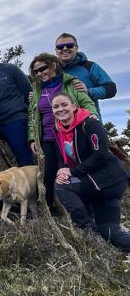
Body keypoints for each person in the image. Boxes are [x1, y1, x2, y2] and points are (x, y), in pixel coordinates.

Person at [51, 93, 130, 252]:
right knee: (109, 233)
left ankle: (87, 230)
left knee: (62, 186)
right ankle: (97, 231)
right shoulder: (58, 130)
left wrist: (72, 172)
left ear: (74, 106)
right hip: (92, 182)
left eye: (64, 105)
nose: (60, 109)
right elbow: (62, 158)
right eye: (56, 107)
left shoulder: (90, 123)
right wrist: (62, 170)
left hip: (109, 180)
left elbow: (100, 155)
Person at [28, 53, 98, 208]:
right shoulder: (37, 89)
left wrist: (92, 116)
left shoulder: (70, 83)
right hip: (47, 137)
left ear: (53, 64)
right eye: (36, 71)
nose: (39, 73)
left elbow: (86, 101)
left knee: (74, 170)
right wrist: (33, 137)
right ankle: (48, 207)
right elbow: (33, 115)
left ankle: (84, 205)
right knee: (48, 173)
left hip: (70, 134)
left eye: (42, 68)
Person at [0, 35, 34, 166]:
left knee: (24, 158)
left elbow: (28, 92)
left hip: (15, 121)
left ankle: (34, 186)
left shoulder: (10, 69)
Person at [55, 32, 117, 118]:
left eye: (69, 45)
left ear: (76, 48)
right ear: (56, 51)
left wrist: (88, 91)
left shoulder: (90, 66)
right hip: (60, 126)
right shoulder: (52, 72)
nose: (65, 49)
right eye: (60, 47)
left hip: (88, 122)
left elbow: (111, 89)